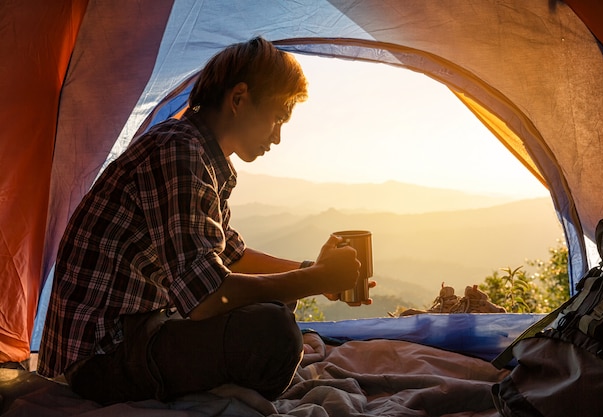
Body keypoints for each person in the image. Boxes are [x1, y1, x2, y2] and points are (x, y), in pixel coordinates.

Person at [37, 37, 371, 405]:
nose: (277, 138)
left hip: (133, 335)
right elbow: (205, 298)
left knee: (275, 309)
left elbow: (229, 255)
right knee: (272, 332)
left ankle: (206, 384)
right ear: (239, 98)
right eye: (277, 118)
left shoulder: (200, 156)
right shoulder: (178, 152)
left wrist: (314, 273)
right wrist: (313, 279)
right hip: (102, 356)